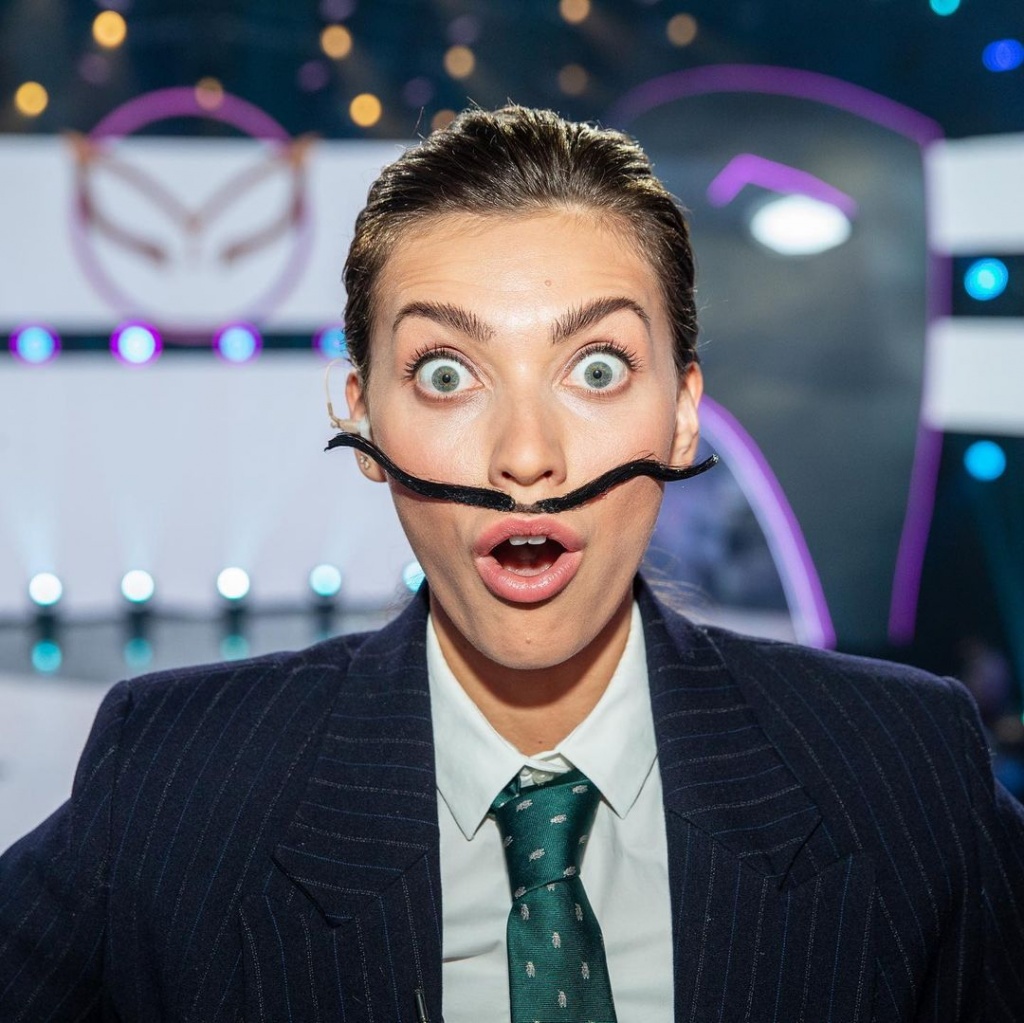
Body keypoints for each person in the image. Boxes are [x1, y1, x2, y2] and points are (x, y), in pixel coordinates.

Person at [1, 105, 1022, 1023]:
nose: (526, 455)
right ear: (362, 418)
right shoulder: (172, 786)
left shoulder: (906, 771)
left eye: (597, 368)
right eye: (447, 374)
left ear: (681, 412)